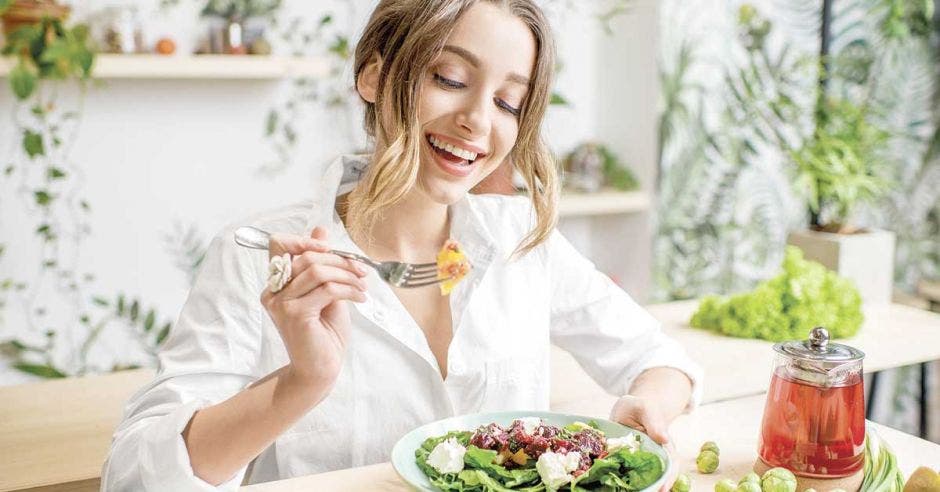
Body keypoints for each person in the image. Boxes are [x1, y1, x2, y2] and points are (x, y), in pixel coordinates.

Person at [101, 1, 702, 490]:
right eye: (450, 79)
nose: (477, 121)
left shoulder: (521, 239)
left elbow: (659, 360)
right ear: (375, 75)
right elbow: (134, 478)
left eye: (507, 102)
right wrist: (301, 383)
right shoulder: (260, 254)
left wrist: (645, 406)